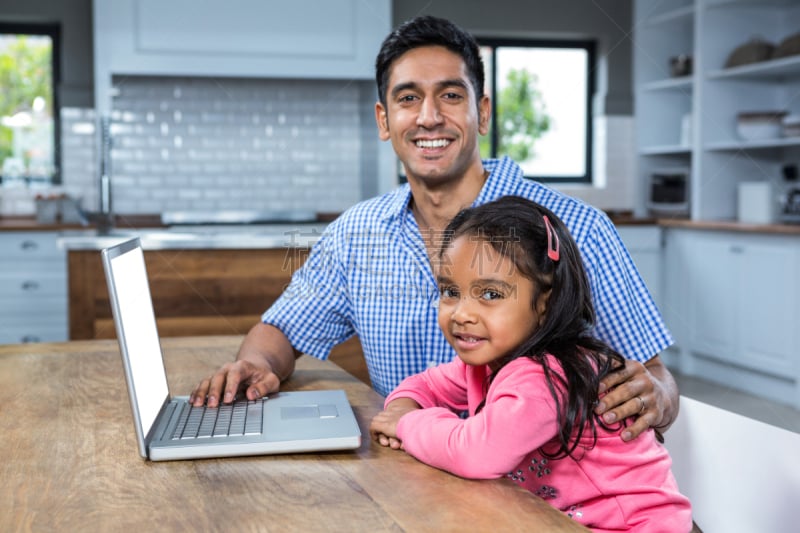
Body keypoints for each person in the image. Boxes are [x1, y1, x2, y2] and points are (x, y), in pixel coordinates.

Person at [190, 15, 679, 441]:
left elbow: (659, 378)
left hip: (542, 497)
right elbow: (280, 330)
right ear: (385, 120)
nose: (429, 117)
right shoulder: (357, 233)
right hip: (407, 478)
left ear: (481, 112)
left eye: (450, 95)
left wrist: (654, 393)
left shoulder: (577, 229)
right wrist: (258, 366)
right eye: (408, 98)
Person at [369, 196, 692, 532]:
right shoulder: (486, 363)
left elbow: (477, 452)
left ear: (544, 302)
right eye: (451, 291)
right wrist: (402, 408)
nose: (462, 313)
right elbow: (425, 385)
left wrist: (409, 423)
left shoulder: (545, 376)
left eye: (490, 294)